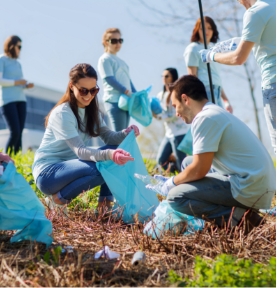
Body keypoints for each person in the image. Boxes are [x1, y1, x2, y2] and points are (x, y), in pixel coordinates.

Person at [151, 75, 275, 234]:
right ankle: (225, 215)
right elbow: (196, 165)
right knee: (187, 163)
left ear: (185, 99)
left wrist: (171, 183)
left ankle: (246, 220)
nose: (176, 113)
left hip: (251, 186)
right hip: (256, 181)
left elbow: (199, 170)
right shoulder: (213, 112)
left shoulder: (205, 118)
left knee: (176, 196)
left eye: (176, 106)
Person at [32, 63, 139, 210]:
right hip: (48, 174)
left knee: (113, 153)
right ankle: (57, 200)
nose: (89, 96)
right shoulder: (63, 113)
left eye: (93, 90)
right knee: (104, 166)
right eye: (83, 91)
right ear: (71, 86)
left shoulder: (92, 112)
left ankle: (104, 207)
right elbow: (80, 151)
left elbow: (109, 138)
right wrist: (110, 155)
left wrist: (125, 133)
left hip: (72, 168)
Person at [199, 0, 276, 153]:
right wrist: (242, 41)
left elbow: (238, 58)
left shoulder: (255, 12)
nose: (241, 3)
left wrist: (211, 56)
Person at [184, 17, 233, 112]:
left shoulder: (214, 50)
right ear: (197, 30)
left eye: (209, 28)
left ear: (213, 30)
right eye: (202, 28)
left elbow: (215, 78)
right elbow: (192, 77)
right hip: (205, 91)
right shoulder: (193, 48)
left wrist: (226, 100)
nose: (206, 31)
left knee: (221, 123)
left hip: (216, 91)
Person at [98, 28, 137, 131]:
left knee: (124, 135)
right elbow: (109, 79)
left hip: (126, 101)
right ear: (106, 42)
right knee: (119, 135)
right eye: (114, 41)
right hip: (114, 101)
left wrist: (136, 94)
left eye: (120, 40)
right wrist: (125, 90)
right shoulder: (105, 59)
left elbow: (128, 81)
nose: (118, 43)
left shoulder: (123, 62)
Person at [0, 35, 34, 154]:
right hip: (8, 101)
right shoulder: (2, 60)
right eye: (19, 46)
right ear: (11, 46)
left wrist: (26, 85)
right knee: (14, 132)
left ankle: (16, 161)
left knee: (19, 133)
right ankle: (4, 160)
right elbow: (0, 81)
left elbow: (19, 82)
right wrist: (17, 82)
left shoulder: (18, 64)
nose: (20, 49)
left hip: (21, 100)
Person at [155, 68, 190, 172]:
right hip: (168, 133)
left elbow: (177, 112)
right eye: (162, 76)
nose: (164, 79)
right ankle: (175, 173)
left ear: (173, 77)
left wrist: (161, 117)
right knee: (161, 161)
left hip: (179, 132)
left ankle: (186, 181)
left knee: (182, 163)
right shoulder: (160, 95)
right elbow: (158, 111)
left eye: (167, 76)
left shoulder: (177, 93)